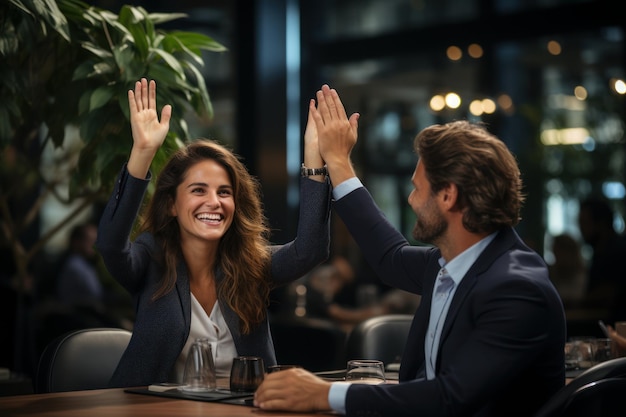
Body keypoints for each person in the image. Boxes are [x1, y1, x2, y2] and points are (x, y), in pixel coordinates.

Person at [254, 85, 566, 417]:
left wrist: (325, 394)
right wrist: (335, 162)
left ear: (448, 196)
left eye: (417, 189)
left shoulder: (516, 289)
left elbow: (450, 398)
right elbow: (390, 257)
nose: (411, 200)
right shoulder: (452, 264)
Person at [95, 78, 331, 387]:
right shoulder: (150, 257)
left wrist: (314, 157)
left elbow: (311, 249)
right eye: (198, 190)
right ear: (171, 205)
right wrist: (142, 152)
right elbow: (111, 246)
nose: (214, 202)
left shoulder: (251, 264)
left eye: (224, 192)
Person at [577, 197, 626, 323]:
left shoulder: (617, 251)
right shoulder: (600, 251)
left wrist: (579, 301)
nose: (581, 229)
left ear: (601, 224)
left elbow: (610, 292)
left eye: (584, 223)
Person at [56, 222, 104, 306]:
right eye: (90, 240)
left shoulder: (84, 264)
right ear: (76, 242)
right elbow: (96, 294)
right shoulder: (75, 266)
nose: (94, 245)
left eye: (95, 240)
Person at [547, 233, 587, 306]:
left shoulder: (582, 276)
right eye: (555, 253)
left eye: (558, 253)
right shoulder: (551, 275)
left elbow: (576, 299)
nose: (556, 259)